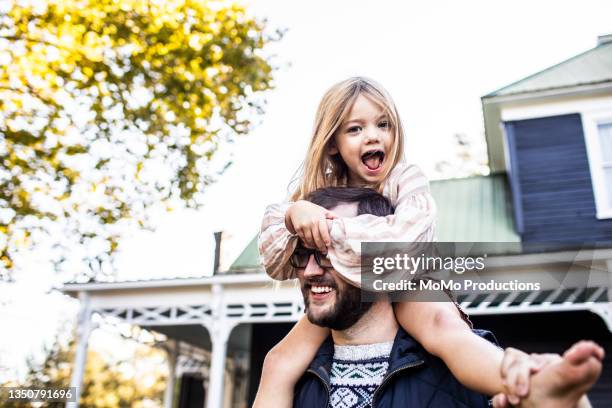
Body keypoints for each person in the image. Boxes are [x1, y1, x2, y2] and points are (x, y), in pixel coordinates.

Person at [256, 77, 550, 406]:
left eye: (384, 124)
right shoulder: (319, 194)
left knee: (445, 329)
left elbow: (408, 238)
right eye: (355, 129)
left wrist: (331, 233)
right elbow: (275, 258)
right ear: (333, 143)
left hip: (410, 281)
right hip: (350, 293)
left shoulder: (404, 177)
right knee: (278, 361)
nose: (373, 135)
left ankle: (519, 377)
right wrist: (294, 213)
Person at [256, 187, 603, 408]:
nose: (311, 270)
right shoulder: (294, 378)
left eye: (332, 252)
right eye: (304, 254)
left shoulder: (462, 371)